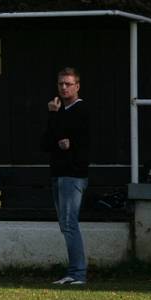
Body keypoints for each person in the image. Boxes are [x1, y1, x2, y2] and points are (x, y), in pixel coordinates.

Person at [43, 67, 90, 286]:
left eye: (68, 84)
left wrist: (57, 125)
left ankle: (78, 273)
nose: (63, 87)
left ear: (77, 86)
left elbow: (69, 142)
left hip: (73, 174)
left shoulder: (82, 111)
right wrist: (54, 118)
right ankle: (74, 272)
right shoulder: (59, 111)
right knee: (65, 224)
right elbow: (46, 142)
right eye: (61, 84)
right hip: (57, 173)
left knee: (70, 223)